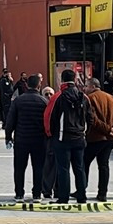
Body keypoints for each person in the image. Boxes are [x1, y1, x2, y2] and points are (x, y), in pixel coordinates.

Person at [44, 69, 88, 204]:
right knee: (79, 167)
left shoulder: (58, 97)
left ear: (62, 80)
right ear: (75, 79)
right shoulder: (83, 97)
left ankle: (63, 198)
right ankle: (82, 196)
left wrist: (50, 134)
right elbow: (90, 117)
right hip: (79, 137)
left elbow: (49, 117)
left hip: (62, 138)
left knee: (63, 169)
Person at [4, 74, 48, 202]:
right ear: (39, 85)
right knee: (38, 167)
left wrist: (8, 137)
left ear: (27, 85)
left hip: (21, 140)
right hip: (39, 140)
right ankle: (37, 194)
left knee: (19, 168)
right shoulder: (43, 101)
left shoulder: (18, 100)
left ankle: (19, 194)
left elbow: (10, 121)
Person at [83, 76, 113, 202]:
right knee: (104, 165)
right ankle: (102, 193)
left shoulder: (89, 99)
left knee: (84, 163)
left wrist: (108, 129)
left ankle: (82, 189)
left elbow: (93, 120)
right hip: (110, 139)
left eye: (86, 86)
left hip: (95, 138)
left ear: (93, 86)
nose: (85, 89)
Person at [41, 86, 56, 198]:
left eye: (50, 94)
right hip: (43, 140)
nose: (49, 96)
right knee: (47, 167)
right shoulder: (41, 106)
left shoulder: (56, 105)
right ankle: (46, 190)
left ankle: (57, 190)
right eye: (46, 94)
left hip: (54, 139)